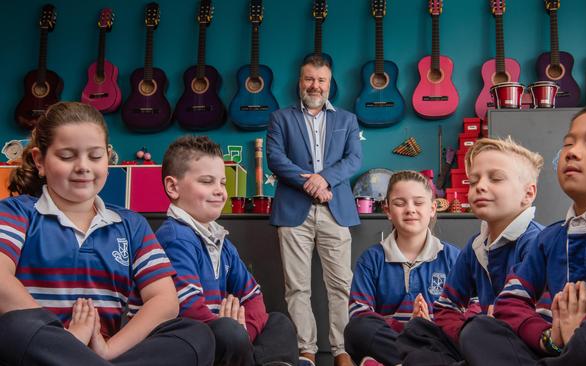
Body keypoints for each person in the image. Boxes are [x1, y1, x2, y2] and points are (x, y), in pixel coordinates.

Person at [0, 101, 214, 366]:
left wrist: (107, 350)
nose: (83, 166)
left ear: (108, 158)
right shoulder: (16, 213)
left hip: (104, 351)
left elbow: (164, 299)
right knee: (13, 328)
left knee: (195, 335)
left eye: (95, 156)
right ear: (39, 160)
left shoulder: (131, 223)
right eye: (67, 156)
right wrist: (64, 340)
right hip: (40, 351)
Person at [459, 102, 586, 365]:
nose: (571, 152)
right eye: (568, 143)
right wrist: (550, 337)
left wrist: (580, 328)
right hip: (556, 345)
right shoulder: (549, 238)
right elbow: (509, 302)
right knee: (479, 331)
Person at [396, 137, 546, 365]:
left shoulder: (538, 242)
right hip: (482, 341)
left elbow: (546, 323)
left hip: (526, 348)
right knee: (417, 331)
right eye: (473, 181)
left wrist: (478, 331)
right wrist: (465, 335)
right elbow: (446, 306)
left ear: (528, 194)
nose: (480, 187)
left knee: (480, 330)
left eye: (495, 178)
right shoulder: (476, 245)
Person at [156, 135, 299, 366]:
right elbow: (189, 311)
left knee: (279, 323)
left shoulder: (221, 240)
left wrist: (246, 332)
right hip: (187, 342)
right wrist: (235, 331)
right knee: (227, 331)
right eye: (206, 181)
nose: (220, 191)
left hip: (228, 337)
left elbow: (253, 296)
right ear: (173, 187)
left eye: (222, 182)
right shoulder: (174, 238)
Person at [266, 54, 362, 366]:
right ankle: (305, 349)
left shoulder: (346, 120)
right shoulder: (281, 118)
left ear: (330, 83)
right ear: (300, 81)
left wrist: (323, 179)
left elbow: (353, 160)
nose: (315, 85)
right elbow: (276, 158)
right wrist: (309, 183)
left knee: (341, 285)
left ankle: (342, 350)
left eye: (321, 80)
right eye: (309, 78)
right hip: (295, 211)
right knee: (297, 287)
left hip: (335, 209)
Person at [344, 170, 460, 366]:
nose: (410, 209)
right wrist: (404, 329)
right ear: (388, 211)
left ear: (432, 209)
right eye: (400, 203)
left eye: (418, 202)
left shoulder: (454, 258)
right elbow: (359, 312)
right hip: (391, 342)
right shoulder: (371, 259)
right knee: (356, 329)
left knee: (470, 333)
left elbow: (471, 309)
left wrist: (427, 325)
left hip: (435, 341)